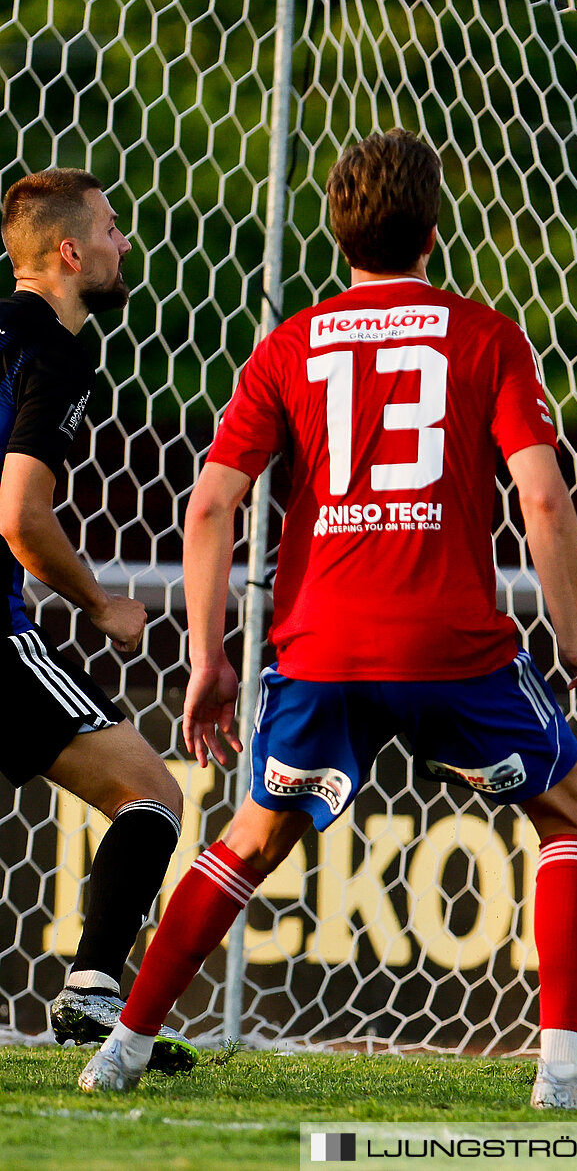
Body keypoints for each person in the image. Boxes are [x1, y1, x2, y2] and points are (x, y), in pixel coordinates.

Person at [78, 130, 577, 1111]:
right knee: (568, 811)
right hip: (448, 641)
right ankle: (560, 1067)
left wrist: (206, 658)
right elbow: (544, 499)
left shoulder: (288, 346)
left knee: (250, 836)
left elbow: (210, 504)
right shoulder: (483, 334)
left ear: (338, 233)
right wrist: (573, 634)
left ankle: (123, 1045)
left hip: (321, 643)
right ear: (433, 231)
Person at [0, 169, 197, 1072]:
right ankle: (91, 1000)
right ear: (71, 253)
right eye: (113, 230)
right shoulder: (56, 351)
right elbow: (22, 515)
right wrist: (101, 602)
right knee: (152, 795)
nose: (125, 245)